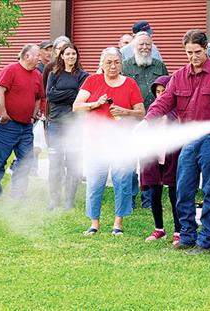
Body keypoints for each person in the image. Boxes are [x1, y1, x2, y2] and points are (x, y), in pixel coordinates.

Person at [144, 30, 210, 254]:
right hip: (188, 140)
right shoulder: (179, 76)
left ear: (206, 48)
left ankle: (206, 241)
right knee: (183, 189)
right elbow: (164, 102)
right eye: (189, 52)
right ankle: (187, 237)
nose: (193, 56)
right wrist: (146, 121)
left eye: (197, 52)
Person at [73, 47, 145, 236]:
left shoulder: (130, 84)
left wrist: (125, 112)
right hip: (95, 142)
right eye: (108, 62)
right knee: (95, 182)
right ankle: (94, 223)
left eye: (116, 62)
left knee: (122, 182)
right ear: (101, 65)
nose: (112, 66)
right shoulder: (92, 80)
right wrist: (95, 104)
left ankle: (118, 224)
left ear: (122, 64)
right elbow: (76, 106)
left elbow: (141, 112)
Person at [0, 44, 45, 200]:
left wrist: (33, 116)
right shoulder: (11, 70)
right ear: (27, 56)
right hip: (7, 124)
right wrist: (3, 114)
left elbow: (39, 97)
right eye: (37, 55)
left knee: (25, 161)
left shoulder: (37, 75)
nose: (40, 58)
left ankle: (18, 196)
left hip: (26, 126)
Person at [122, 31, 168, 209]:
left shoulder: (159, 66)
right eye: (141, 44)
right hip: (132, 121)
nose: (144, 48)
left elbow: (167, 91)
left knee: (149, 162)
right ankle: (130, 197)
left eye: (148, 45)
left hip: (154, 121)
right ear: (134, 46)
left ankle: (148, 200)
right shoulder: (126, 66)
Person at [46, 43, 89, 210]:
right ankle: (54, 200)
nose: (71, 57)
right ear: (62, 56)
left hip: (74, 125)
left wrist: (61, 94)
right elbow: (50, 95)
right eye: (68, 54)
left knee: (72, 163)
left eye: (74, 54)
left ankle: (69, 201)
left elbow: (81, 97)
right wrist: (71, 94)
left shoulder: (83, 76)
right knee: (55, 163)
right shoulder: (53, 74)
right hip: (55, 123)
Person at [141, 76, 181, 244]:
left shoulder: (178, 111)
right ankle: (159, 229)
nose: (160, 95)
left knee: (174, 195)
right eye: (157, 92)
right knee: (154, 193)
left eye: (163, 92)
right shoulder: (153, 110)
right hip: (153, 157)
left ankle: (178, 231)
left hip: (172, 156)